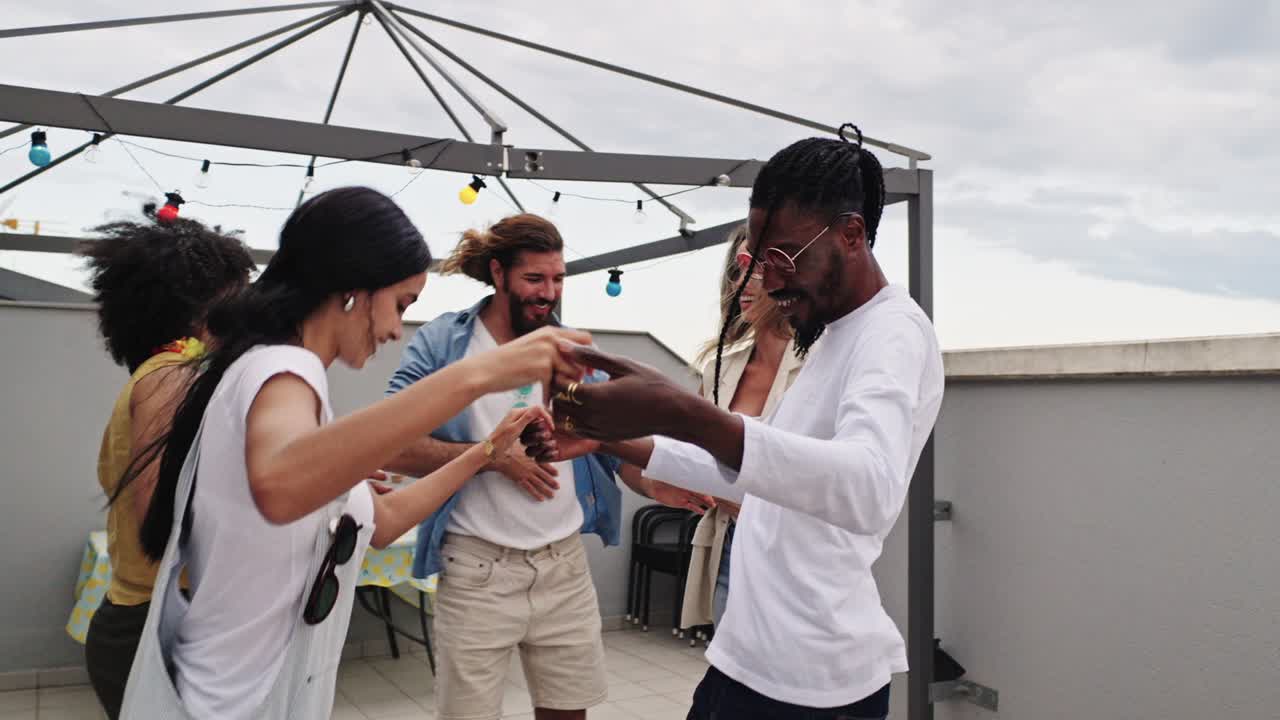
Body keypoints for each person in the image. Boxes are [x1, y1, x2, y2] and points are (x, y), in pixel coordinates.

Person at [112, 187, 589, 720]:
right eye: (399, 305)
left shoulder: (284, 384)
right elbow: (282, 483)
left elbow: (381, 523)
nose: (392, 330)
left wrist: (483, 453)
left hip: (267, 691)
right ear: (352, 290)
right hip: (231, 699)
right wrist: (477, 375)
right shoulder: (281, 369)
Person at [528, 130, 945, 720]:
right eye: (757, 259)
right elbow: (758, 472)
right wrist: (615, 439)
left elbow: (870, 488)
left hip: (813, 687)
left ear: (851, 235)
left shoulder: (892, 332)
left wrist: (681, 410)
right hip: (750, 661)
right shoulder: (835, 333)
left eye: (783, 257)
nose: (771, 281)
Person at [384, 213, 710, 720]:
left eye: (557, 279)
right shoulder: (445, 345)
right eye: (534, 279)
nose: (548, 292)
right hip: (477, 570)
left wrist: (653, 483)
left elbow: (600, 444)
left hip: (564, 568)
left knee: (568, 713)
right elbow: (390, 444)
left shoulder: (573, 351)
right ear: (498, 273)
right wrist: (495, 460)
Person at [79, 218, 256, 719]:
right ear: (202, 305)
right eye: (236, 294)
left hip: (158, 624)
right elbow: (162, 519)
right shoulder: (171, 377)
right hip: (151, 630)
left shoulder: (171, 375)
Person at [681, 225, 804, 637]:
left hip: (797, 558)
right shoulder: (719, 366)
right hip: (730, 548)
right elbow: (693, 454)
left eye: (752, 270)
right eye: (736, 272)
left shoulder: (820, 364)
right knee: (729, 678)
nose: (740, 285)